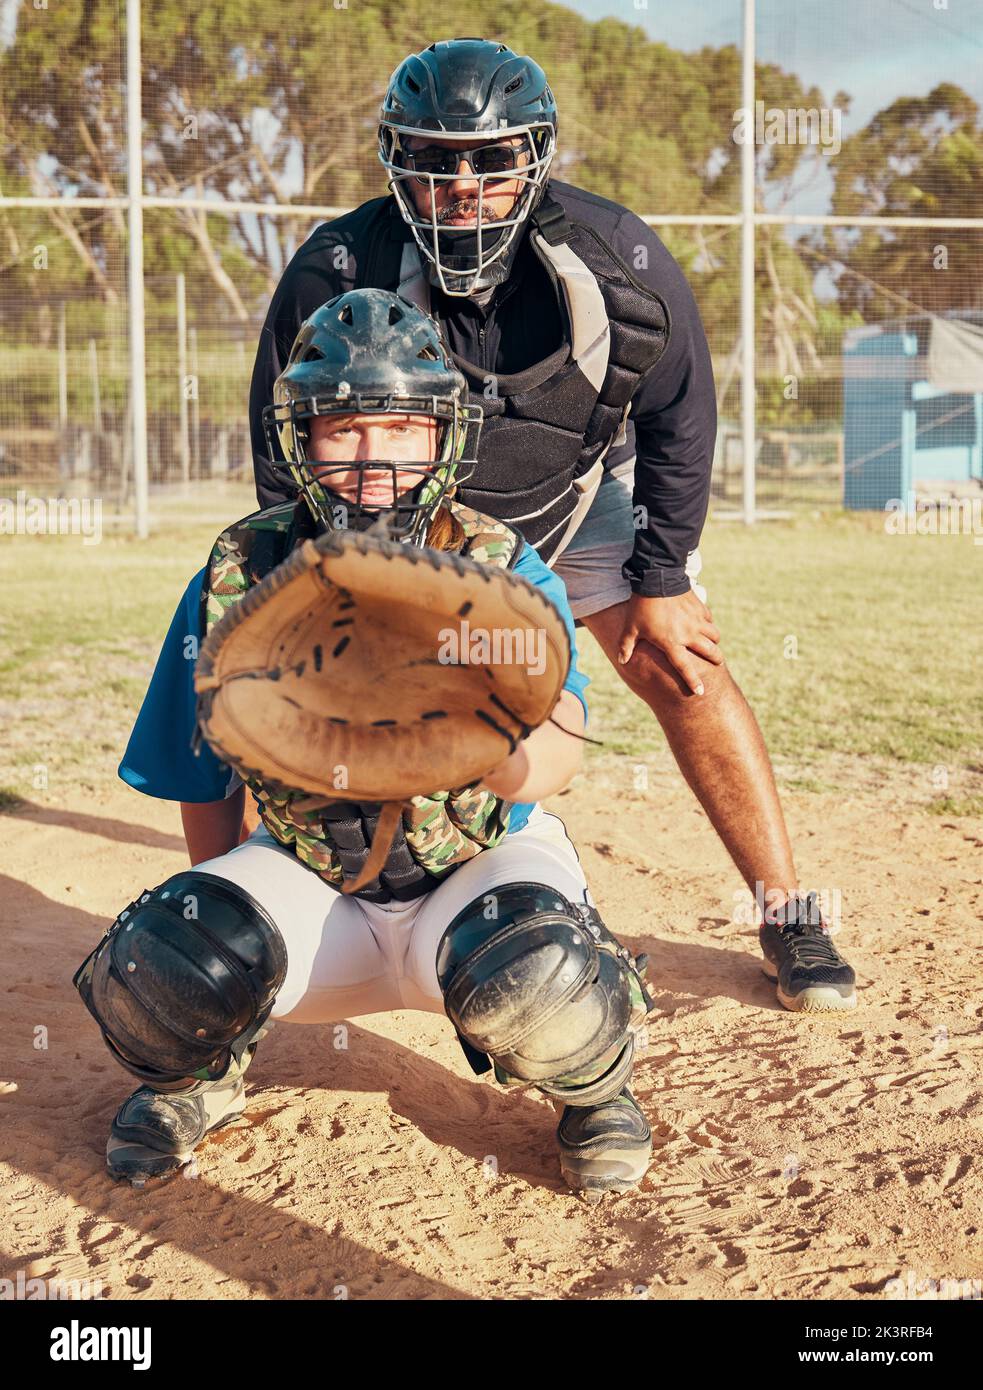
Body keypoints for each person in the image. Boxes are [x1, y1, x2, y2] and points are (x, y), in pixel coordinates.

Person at [247, 37, 857, 1015]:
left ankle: (787, 910)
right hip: (400, 527)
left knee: (679, 661)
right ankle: (268, 918)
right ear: (393, 157)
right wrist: (315, 594)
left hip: (568, 502)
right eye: (433, 156)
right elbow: (283, 446)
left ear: (536, 156)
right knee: (289, 686)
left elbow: (679, 422)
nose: (462, 182)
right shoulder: (338, 265)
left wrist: (661, 578)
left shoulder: (619, 266)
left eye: (489, 157)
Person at [73, 289, 654, 1200]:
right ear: (299, 441)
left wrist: (485, 731)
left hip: (473, 868)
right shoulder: (246, 571)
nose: (373, 458)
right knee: (172, 951)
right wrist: (223, 940)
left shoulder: (499, 566)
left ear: (444, 437)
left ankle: (595, 1087)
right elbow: (198, 776)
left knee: (541, 967)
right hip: (316, 884)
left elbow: (558, 757)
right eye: (340, 429)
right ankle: (198, 1080)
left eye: (399, 427)